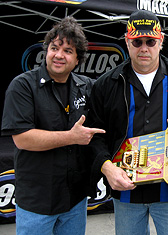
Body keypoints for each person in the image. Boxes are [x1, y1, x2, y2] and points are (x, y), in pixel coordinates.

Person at [87, 9, 168, 235]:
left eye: (150, 41)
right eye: (137, 42)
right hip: (126, 190)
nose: (144, 48)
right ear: (127, 42)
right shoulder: (107, 84)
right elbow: (95, 134)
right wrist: (106, 168)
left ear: (161, 41)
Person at [1, 17, 105, 235]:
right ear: (46, 51)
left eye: (68, 50)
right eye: (54, 48)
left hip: (75, 200)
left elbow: (116, 109)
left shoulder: (86, 86)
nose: (59, 55)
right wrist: (72, 137)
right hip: (37, 203)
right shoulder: (22, 86)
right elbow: (22, 138)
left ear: (78, 59)